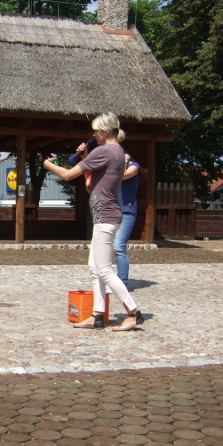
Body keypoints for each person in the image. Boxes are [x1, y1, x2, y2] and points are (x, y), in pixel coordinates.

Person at [43, 112, 144, 332]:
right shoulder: (117, 152)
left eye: (97, 131)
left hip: (105, 216)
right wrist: (86, 156)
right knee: (94, 267)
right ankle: (97, 315)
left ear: (106, 131)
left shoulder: (105, 151)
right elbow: (93, 181)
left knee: (105, 270)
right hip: (106, 215)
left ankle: (133, 313)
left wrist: (47, 165)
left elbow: (68, 175)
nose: (94, 135)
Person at [114, 154, 140, 288]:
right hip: (112, 212)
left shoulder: (134, 166)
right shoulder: (114, 169)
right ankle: (112, 280)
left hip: (126, 211)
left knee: (119, 247)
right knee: (109, 247)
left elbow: (123, 175)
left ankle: (122, 283)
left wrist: (124, 161)